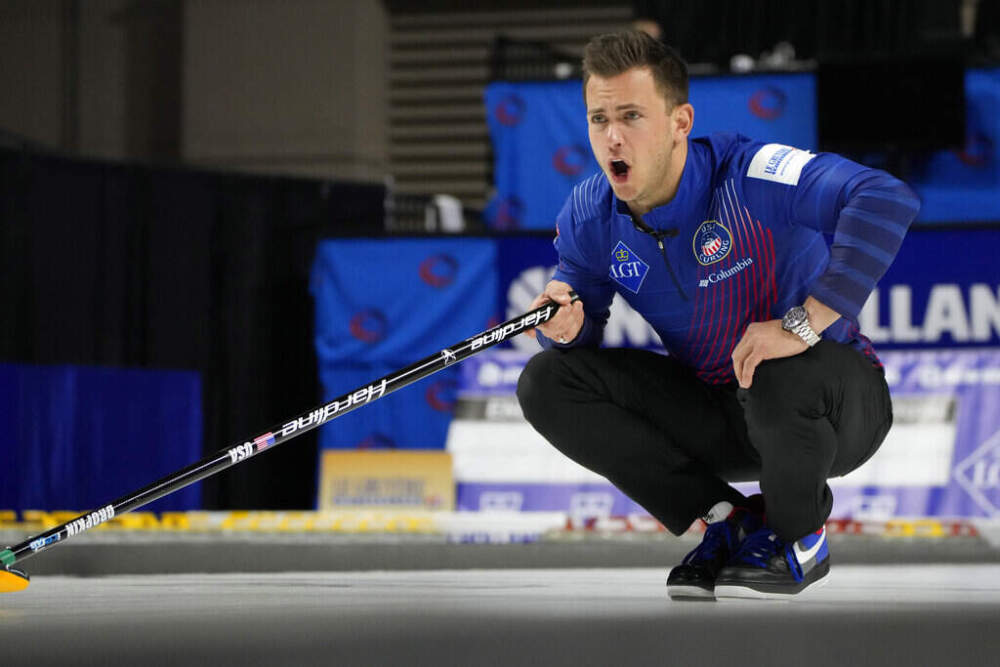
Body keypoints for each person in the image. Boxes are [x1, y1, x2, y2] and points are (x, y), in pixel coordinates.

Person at [516, 31, 920, 600]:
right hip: (721, 410)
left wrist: (800, 324)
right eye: (598, 118)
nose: (611, 137)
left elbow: (883, 197)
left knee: (774, 364)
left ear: (681, 121)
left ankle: (798, 536)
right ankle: (724, 520)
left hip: (834, 406)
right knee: (546, 382)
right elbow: (579, 320)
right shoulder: (590, 214)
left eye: (631, 115)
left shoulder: (751, 173)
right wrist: (564, 327)